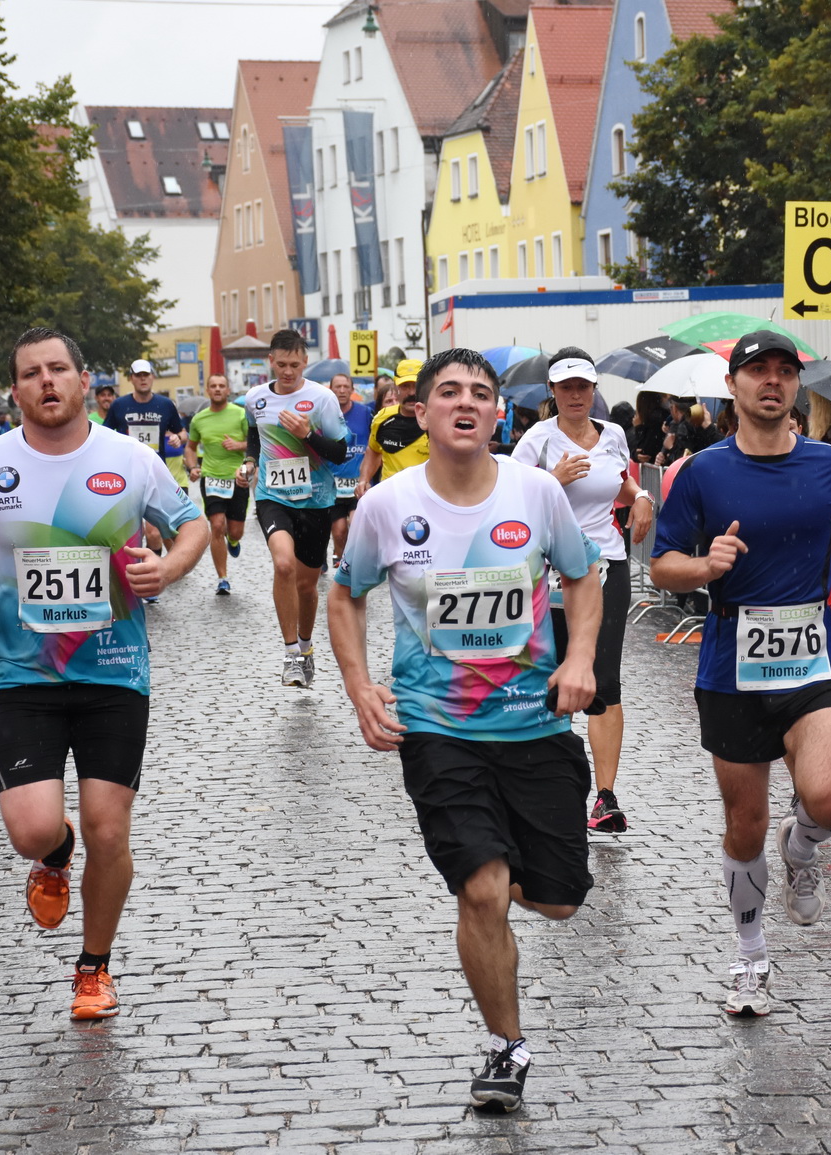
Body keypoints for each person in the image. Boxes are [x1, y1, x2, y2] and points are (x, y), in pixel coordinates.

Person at [328, 348, 603, 1113]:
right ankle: (506, 1046)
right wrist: (359, 689)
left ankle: (503, 861)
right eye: (448, 391)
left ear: (497, 414)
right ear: (420, 412)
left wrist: (579, 656)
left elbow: (583, 578)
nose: (465, 402)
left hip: (532, 724)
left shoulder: (537, 492)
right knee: (483, 890)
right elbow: (344, 596)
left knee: (557, 901)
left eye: (480, 394)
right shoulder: (389, 505)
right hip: (437, 727)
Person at [0, 326, 207, 1020]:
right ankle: (54, 852)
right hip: (24, 674)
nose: (46, 382)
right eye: (31, 373)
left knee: (111, 828)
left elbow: (194, 525)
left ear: (85, 380)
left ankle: (94, 968)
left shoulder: (131, 460)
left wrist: (166, 567)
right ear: (15, 390)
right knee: (31, 827)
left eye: (58, 369)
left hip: (114, 671)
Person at [650, 330, 831, 1018]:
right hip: (731, 668)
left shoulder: (828, 464)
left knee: (829, 796)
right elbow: (663, 563)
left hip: (813, 658)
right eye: (758, 372)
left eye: (784, 372)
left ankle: (802, 846)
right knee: (744, 823)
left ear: (795, 387)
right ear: (734, 388)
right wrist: (705, 566)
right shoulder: (702, 472)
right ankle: (750, 957)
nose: (771, 382)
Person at [512, 348, 655, 831]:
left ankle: (606, 797)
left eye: (583, 386)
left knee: (603, 678)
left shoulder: (612, 434)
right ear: (551, 393)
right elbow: (510, 506)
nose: (576, 395)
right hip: (551, 573)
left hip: (606, 567)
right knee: (553, 680)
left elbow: (621, 484)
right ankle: (553, 785)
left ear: (594, 389)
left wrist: (641, 498)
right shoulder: (537, 440)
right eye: (566, 387)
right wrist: (553, 481)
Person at [241, 329, 349, 687]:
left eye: (295, 365)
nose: (288, 372)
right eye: (282, 364)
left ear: (305, 362)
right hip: (273, 497)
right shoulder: (255, 398)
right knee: (283, 564)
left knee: (306, 587)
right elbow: (255, 438)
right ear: (270, 361)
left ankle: (305, 648)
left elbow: (339, 453)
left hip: (316, 500)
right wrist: (250, 464)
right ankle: (290, 657)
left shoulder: (322, 398)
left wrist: (306, 434)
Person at [104, 360, 185, 556]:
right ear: (131, 378)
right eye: (138, 375)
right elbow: (105, 435)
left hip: (154, 473)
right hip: (126, 475)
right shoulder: (119, 405)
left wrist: (178, 438)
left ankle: (154, 571)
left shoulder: (165, 405)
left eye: (146, 375)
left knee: (154, 533)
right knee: (129, 532)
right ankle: (133, 569)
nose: (143, 379)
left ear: (152, 377)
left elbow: (182, 432)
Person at [182, 373, 252, 595]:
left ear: (228, 390)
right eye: (214, 386)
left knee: (236, 530)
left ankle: (233, 540)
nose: (218, 389)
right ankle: (223, 578)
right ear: (208, 391)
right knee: (217, 525)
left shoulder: (240, 414)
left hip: (238, 478)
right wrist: (193, 467)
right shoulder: (199, 419)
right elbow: (191, 447)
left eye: (222, 386)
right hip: (211, 478)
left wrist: (238, 445)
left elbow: (255, 445)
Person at [328, 372, 373, 566]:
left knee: (356, 524)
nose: (342, 390)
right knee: (338, 531)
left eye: (346, 387)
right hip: (333, 484)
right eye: (337, 387)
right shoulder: (325, 413)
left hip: (357, 483)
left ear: (352, 390)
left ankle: (352, 563)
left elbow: (375, 445)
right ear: (330, 390)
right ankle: (340, 558)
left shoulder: (364, 413)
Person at [363, 359, 429, 484]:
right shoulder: (382, 417)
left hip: (425, 496)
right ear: (395, 388)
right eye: (405, 386)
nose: (411, 392)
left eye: (416, 385)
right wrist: (364, 480)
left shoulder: (437, 418)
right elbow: (373, 451)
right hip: (391, 497)